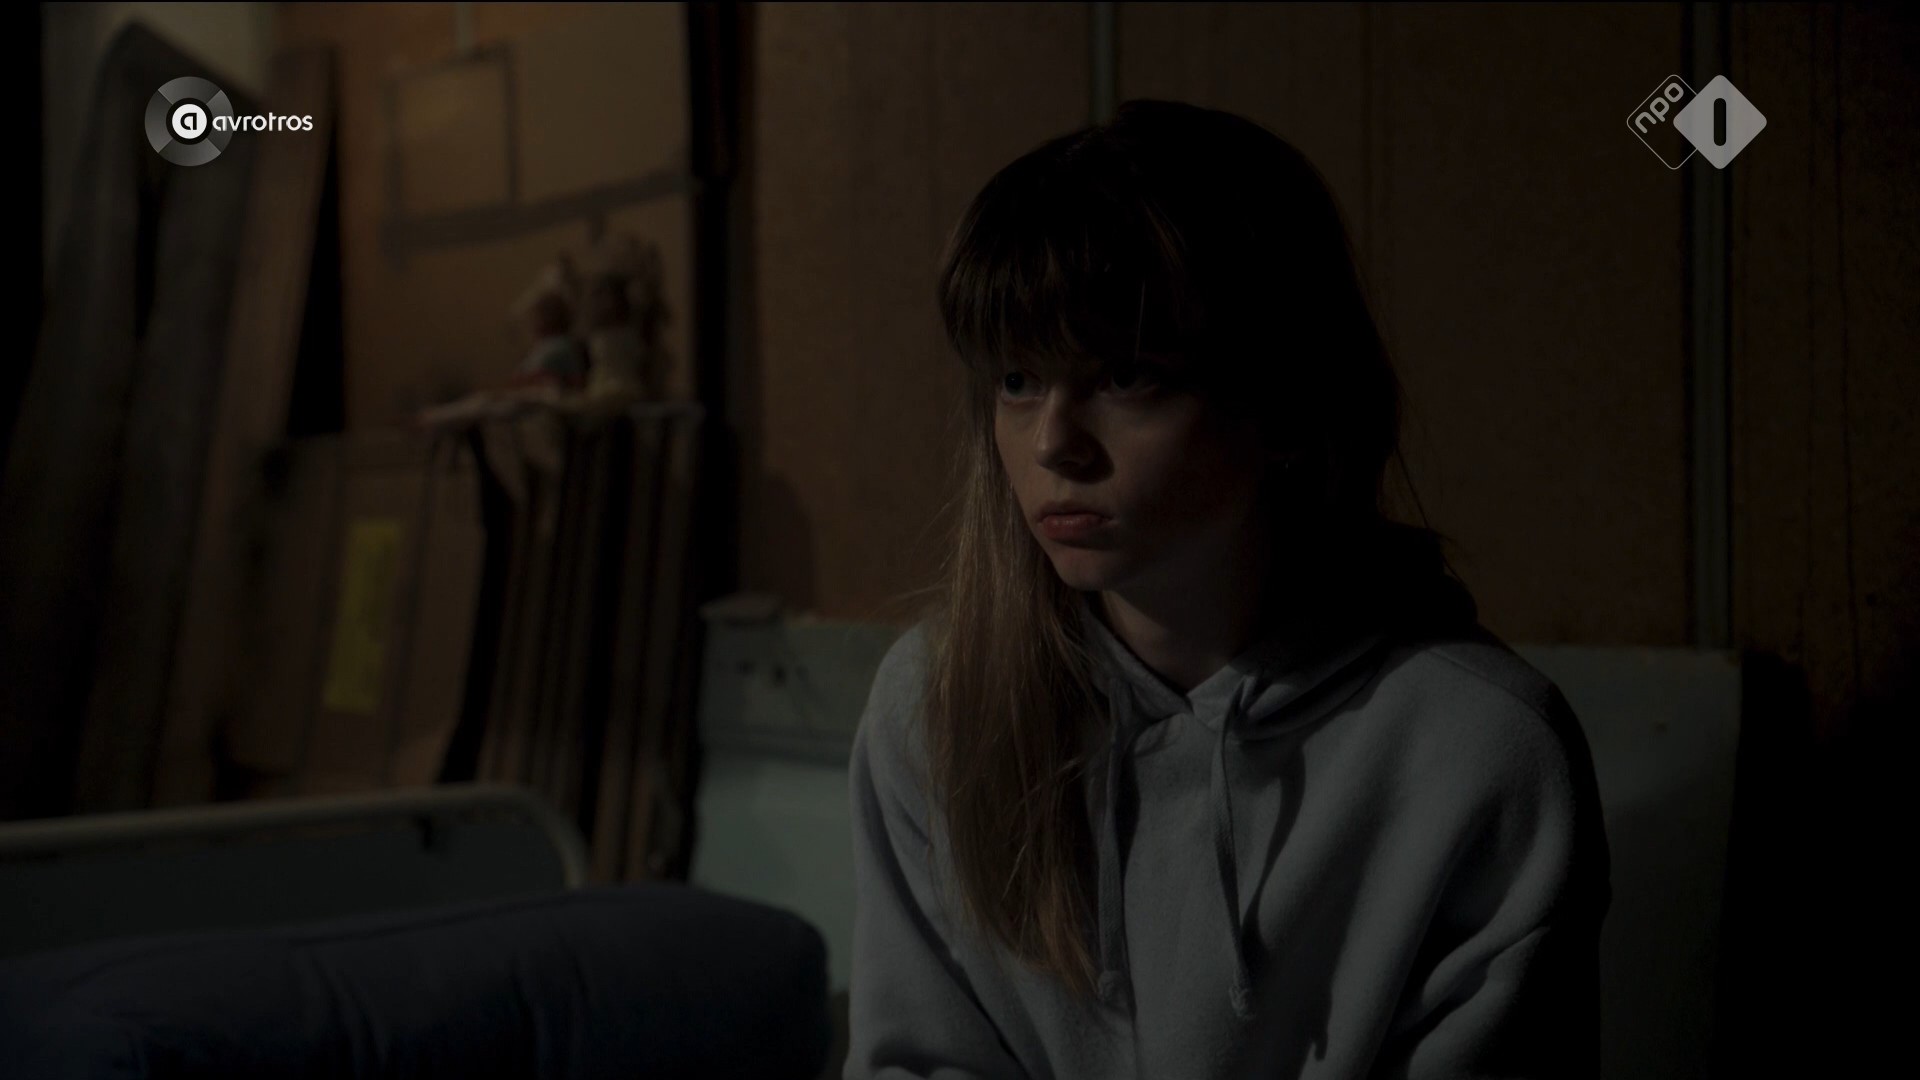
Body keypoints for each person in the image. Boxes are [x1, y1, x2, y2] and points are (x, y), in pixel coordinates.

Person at [844, 99, 1611, 1080]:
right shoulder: (940, 703)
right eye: (1018, 379)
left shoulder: (1477, 750)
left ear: (1284, 402)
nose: (1052, 444)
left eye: (1127, 377)